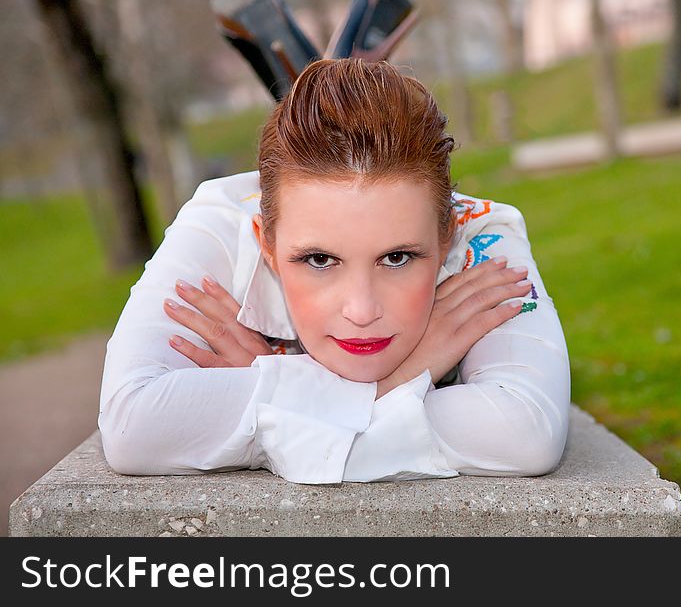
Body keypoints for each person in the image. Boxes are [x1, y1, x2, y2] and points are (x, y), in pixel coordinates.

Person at [99, 58, 570, 485]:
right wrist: (404, 376)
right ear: (266, 242)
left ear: (447, 237)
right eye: (319, 260)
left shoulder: (483, 240)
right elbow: (132, 426)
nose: (361, 311)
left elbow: (525, 431)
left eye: (398, 258)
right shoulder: (216, 229)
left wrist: (270, 391)